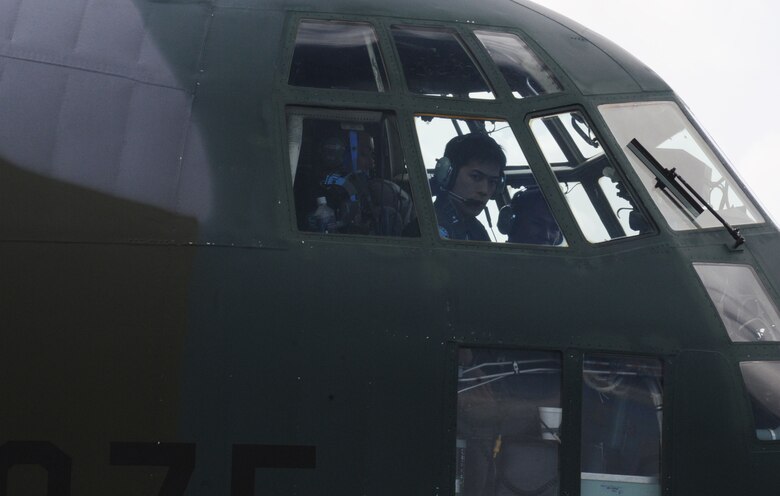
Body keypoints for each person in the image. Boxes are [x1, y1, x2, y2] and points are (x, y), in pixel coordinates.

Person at [433, 133, 506, 241]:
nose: (484, 190)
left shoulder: (477, 231)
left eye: (492, 181)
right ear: (448, 174)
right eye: (476, 177)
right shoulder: (427, 229)